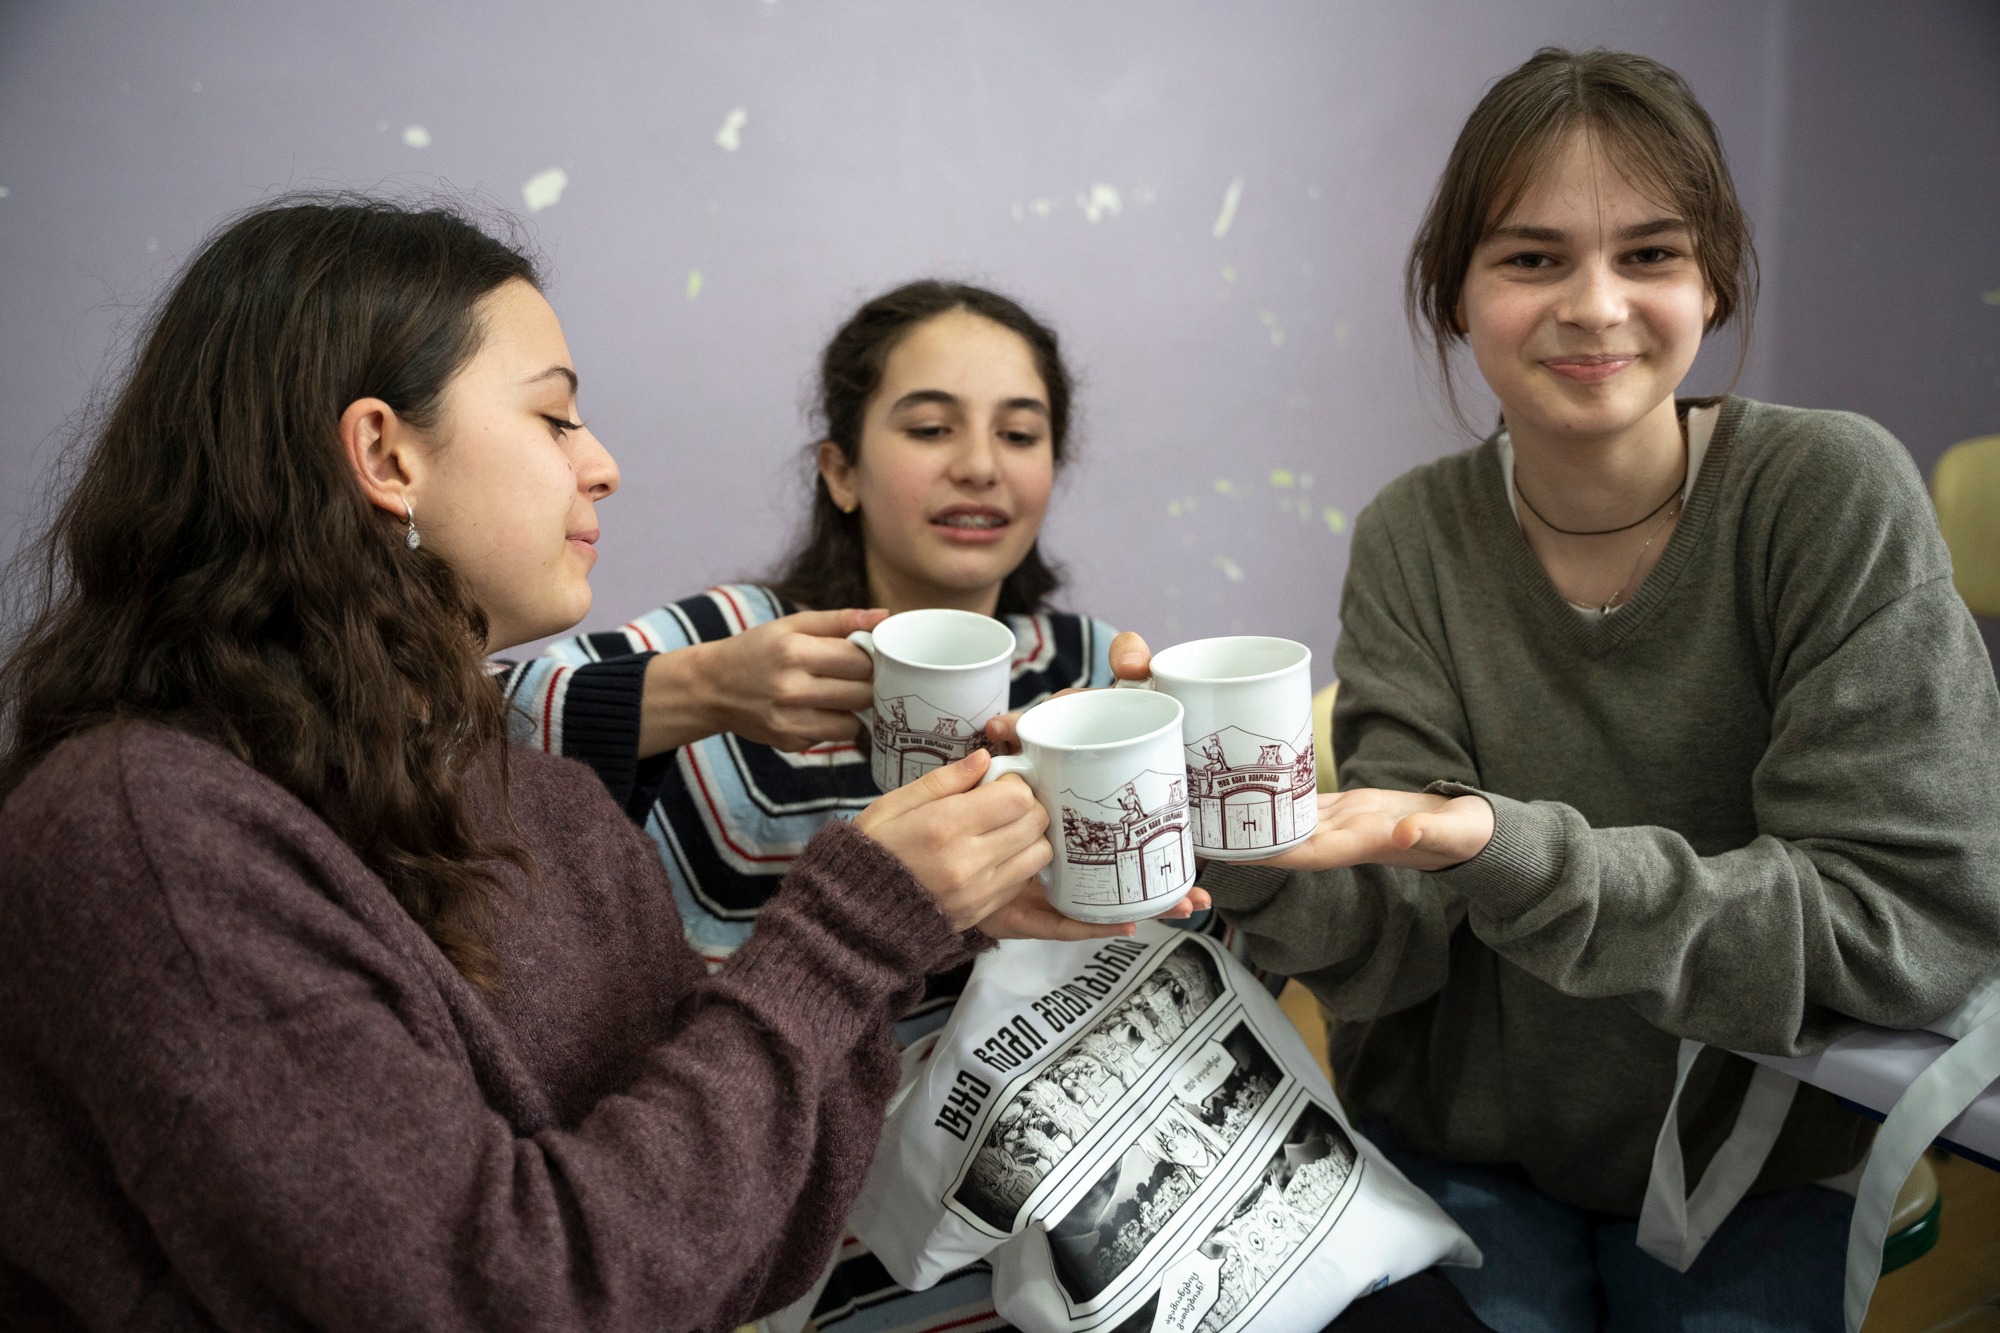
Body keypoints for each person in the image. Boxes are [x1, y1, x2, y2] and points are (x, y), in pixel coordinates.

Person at [0, 199, 1079, 1331]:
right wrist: (847, 930)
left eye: (1021, 433)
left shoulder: (545, 806)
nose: (602, 466)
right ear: (385, 455)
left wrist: (912, 926)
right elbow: (503, 1297)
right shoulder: (145, 837)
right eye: (555, 418)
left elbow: (738, 1245)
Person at [1131, 48, 2000, 1333]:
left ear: (1711, 281)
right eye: (1531, 259)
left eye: (1648, 255)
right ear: (1455, 293)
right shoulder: (1412, 534)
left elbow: (1905, 927)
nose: (1593, 307)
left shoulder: (1824, 493)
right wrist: (1234, 836)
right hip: (1462, 1142)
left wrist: (1500, 845)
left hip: (1756, 1156)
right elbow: (1390, 949)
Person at [494, 280, 1189, 979]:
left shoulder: (1092, 670)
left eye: (1019, 435)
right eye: (930, 429)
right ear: (842, 472)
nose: (981, 467)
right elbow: (455, 723)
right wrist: (703, 690)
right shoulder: (736, 642)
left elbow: (1185, 918)